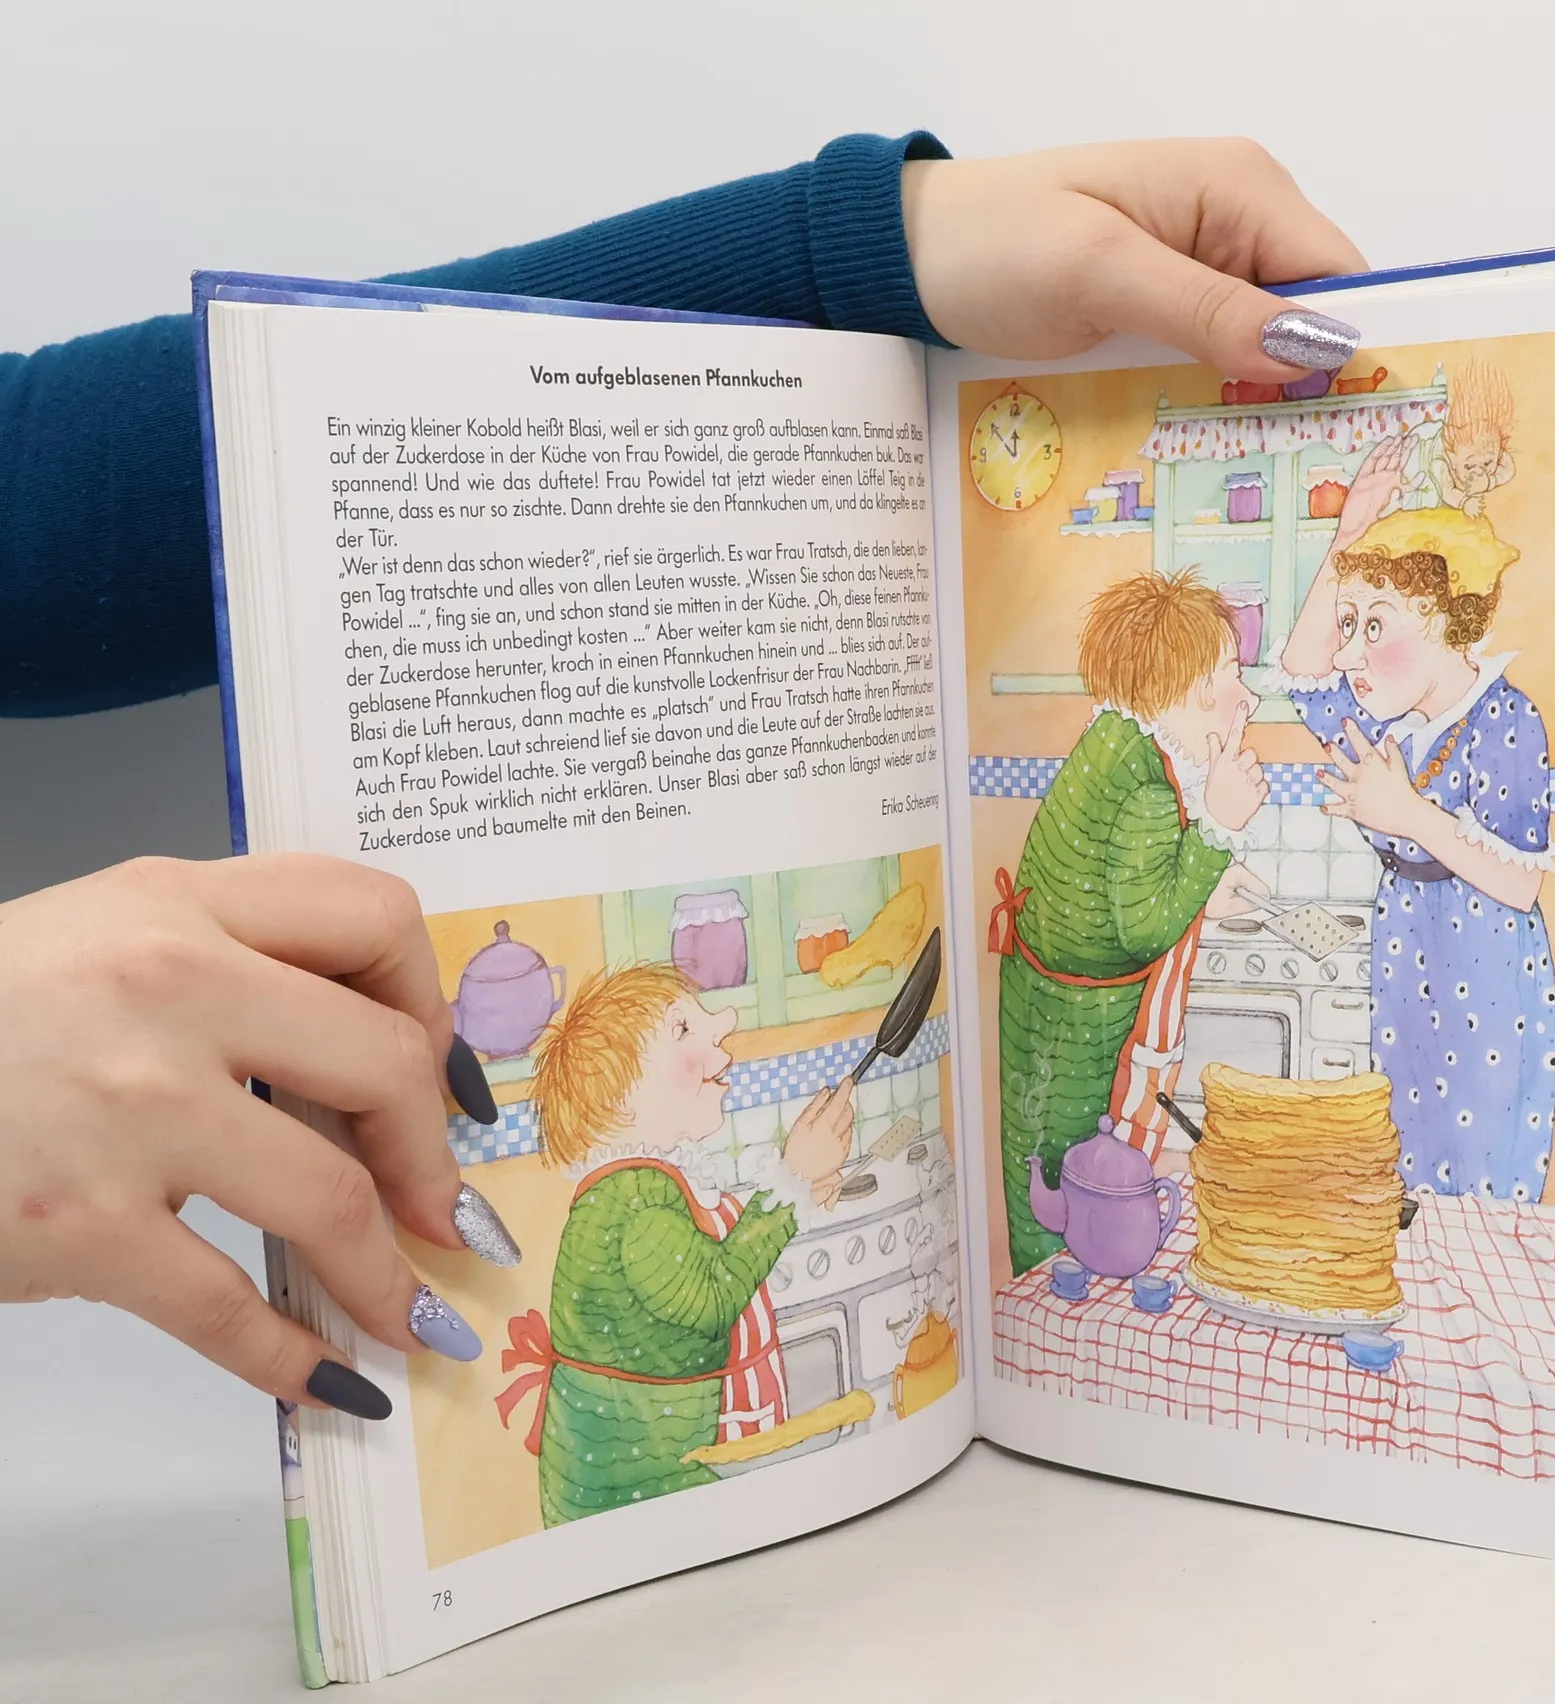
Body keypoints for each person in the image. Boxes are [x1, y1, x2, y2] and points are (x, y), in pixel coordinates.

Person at [0, 133, 1365, 1417]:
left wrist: (862, 249)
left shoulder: (1130, 762)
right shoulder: (630, 1200)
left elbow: (44, 500)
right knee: (1050, 1165)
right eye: (688, 1041)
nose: (716, 1049)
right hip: (1046, 1042)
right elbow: (1115, 915)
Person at [1278, 439, 1555, 1203]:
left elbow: (1522, 884)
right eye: (1347, 624)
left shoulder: (1506, 718)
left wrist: (1407, 813)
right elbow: (1302, 674)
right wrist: (1347, 537)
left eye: (1374, 627)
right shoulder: (1388, 724)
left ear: (1437, 620)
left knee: (1480, 1181)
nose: (1348, 655)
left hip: (1487, 975)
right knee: (1406, 1167)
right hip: (1407, 956)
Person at [492, 963, 851, 1522]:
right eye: (682, 1029)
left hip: (657, 1457)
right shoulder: (635, 1200)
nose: (723, 1023)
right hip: (637, 1478)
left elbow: (702, 1256)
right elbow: (711, 1296)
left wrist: (797, 1191)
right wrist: (791, 1183)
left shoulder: (641, 1184)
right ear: (620, 1103)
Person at [991, 569, 1266, 1275]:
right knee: (1070, 1189)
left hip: (1045, 1008)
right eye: (1231, 674)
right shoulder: (1146, 785)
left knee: (1042, 1173)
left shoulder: (1118, 739)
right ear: (1192, 686)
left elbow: (1122, 883)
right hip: (1077, 1032)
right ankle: (1059, 1302)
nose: (1247, 696)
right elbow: (1144, 928)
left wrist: (1204, 890)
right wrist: (1219, 827)